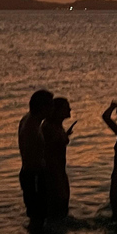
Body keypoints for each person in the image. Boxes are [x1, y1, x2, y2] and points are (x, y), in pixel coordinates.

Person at [18, 89, 54, 225]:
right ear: (43, 107)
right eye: (51, 105)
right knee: (38, 215)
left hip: (29, 174)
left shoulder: (27, 119)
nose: (53, 108)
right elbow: (32, 154)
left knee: (36, 214)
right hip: (34, 175)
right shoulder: (31, 128)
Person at [41, 97, 77, 218]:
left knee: (62, 205)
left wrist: (64, 135)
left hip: (59, 172)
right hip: (53, 173)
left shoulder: (57, 125)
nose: (70, 109)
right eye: (66, 107)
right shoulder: (49, 127)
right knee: (58, 206)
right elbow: (48, 148)